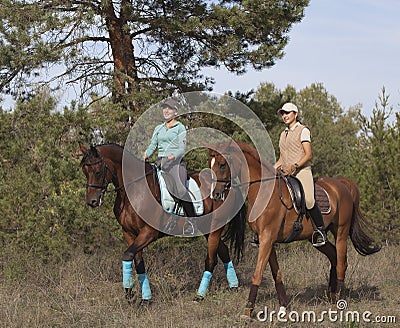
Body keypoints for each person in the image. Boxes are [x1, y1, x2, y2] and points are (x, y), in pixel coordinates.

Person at [274, 102, 327, 247]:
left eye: (287, 113)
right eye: (283, 113)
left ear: (295, 114)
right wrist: (271, 168)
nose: (284, 116)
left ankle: (320, 231)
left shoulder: (303, 131)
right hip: (286, 173)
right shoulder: (283, 134)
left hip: (301, 171)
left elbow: (308, 154)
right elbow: (281, 158)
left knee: (309, 200)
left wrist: (295, 166)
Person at [143, 98, 196, 220]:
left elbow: (182, 148)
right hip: (160, 163)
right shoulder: (158, 129)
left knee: (181, 190)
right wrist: (144, 156)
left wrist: (171, 156)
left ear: (176, 112)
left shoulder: (180, 127)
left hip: (175, 164)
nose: (166, 111)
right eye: (165, 108)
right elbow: (152, 146)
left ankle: (192, 220)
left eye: (170, 108)